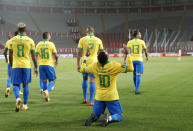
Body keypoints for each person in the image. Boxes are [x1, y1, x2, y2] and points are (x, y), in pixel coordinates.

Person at [80, 46, 134, 127]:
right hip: (111, 96)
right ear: (108, 57)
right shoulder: (114, 65)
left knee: (97, 114)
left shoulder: (94, 66)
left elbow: (82, 69)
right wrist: (128, 54)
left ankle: (94, 116)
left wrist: (86, 56)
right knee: (120, 115)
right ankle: (109, 118)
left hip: (99, 97)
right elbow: (131, 68)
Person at [9, 22, 38, 112]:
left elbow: (10, 54)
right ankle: (25, 105)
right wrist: (36, 67)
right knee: (25, 85)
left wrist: (11, 65)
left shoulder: (12, 40)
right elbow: (33, 56)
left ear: (17, 30)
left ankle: (17, 97)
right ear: (25, 30)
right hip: (26, 65)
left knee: (16, 84)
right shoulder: (30, 40)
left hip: (16, 65)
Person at [77, 26, 103, 106]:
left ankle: (85, 98)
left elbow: (79, 53)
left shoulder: (82, 39)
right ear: (93, 32)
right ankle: (91, 101)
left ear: (86, 32)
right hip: (94, 62)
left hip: (85, 61)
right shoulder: (98, 40)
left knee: (84, 79)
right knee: (92, 80)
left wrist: (78, 64)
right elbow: (102, 53)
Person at [35, 32, 58, 102]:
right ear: (48, 36)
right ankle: (47, 91)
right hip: (49, 65)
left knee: (44, 81)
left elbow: (35, 56)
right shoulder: (51, 44)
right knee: (53, 80)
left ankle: (46, 97)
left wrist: (35, 66)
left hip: (41, 65)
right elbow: (55, 55)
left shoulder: (39, 44)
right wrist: (56, 61)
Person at [127, 30, 148, 94]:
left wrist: (125, 60)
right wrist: (147, 57)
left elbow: (127, 51)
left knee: (134, 74)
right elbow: (145, 51)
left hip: (132, 60)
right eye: (140, 34)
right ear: (137, 35)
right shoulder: (142, 42)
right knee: (138, 74)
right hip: (139, 60)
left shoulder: (129, 42)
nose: (141, 35)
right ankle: (137, 90)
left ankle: (136, 88)